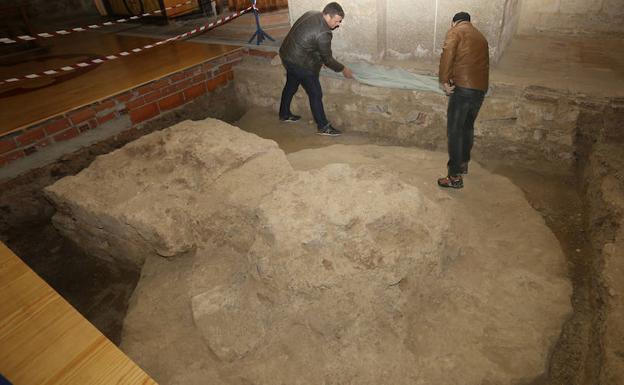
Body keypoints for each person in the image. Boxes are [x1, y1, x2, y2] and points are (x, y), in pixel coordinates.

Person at [278, 2, 354, 137]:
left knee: (291, 85)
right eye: (337, 21)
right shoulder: (324, 32)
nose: (338, 24)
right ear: (328, 16)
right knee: (315, 93)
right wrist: (343, 68)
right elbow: (328, 59)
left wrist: (320, 59)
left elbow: (307, 42)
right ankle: (323, 126)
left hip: (287, 54)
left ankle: (284, 114)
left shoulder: (312, 13)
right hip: (299, 63)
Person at [437, 11, 489, 189]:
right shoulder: (480, 36)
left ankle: (454, 177)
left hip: (463, 89)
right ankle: (463, 163)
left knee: (455, 131)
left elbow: (447, 55)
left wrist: (444, 80)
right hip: (480, 90)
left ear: (454, 22)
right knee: (467, 127)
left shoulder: (455, 31)